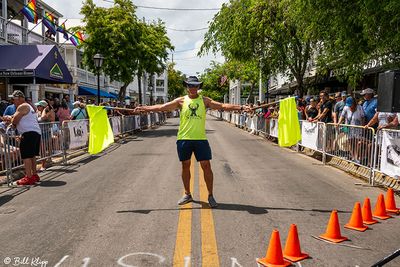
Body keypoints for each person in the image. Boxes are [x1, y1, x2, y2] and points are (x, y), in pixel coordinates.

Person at [135, 76, 251, 208]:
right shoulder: (181, 101)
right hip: (184, 139)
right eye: (190, 85)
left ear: (198, 87)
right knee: (185, 166)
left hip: (200, 139)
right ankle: (187, 194)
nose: (193, 88)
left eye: (195, 86)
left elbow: (223, 105)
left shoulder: (205, 101)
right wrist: (145, 108)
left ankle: (211, 196)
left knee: (206, 166)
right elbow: (162, 107)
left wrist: (241, 107)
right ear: (187, 87)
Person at [5, 90, 41, 185]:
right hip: (35, 132)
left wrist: (10, 121)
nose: (13, 101)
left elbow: (15, 120)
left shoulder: (22, 106)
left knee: (26, 156)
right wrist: (11, 118)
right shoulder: (28, 106)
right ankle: (34, 175)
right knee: (32, 155)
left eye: (14, 99)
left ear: (21, 98)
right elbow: (17, 117)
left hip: (29, 133)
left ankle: (29, 177)